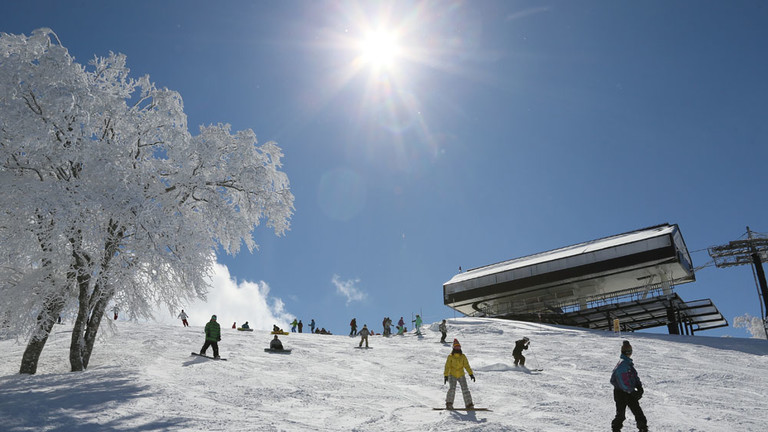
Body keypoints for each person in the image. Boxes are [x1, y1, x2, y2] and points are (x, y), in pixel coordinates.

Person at [610, 341, 648, 432]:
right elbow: (623, 381)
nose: (629, 353)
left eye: (630, 351)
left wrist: (639, 386)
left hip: (628, 391)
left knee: (638, 412)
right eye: (628, 351)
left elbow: (634, 376)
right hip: (621, 393)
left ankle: (643, 428)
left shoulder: (627, 363)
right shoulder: (623, 364)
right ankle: (616, 429)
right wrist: (631, 391)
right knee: (621, 414)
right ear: (624, 352)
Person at [443, 338, 475, 410]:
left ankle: (469, 404)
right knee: (452, 389)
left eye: (458, 346)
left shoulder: (463, 356)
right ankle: (449, 404)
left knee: (465, 389)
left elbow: (466, 365)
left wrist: (471, 374)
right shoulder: (450, 357)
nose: (457, 348)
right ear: (453, 348)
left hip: (461, 375)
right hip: (452, 374)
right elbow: (447, 366)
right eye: (456, 346)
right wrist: (446, 375)